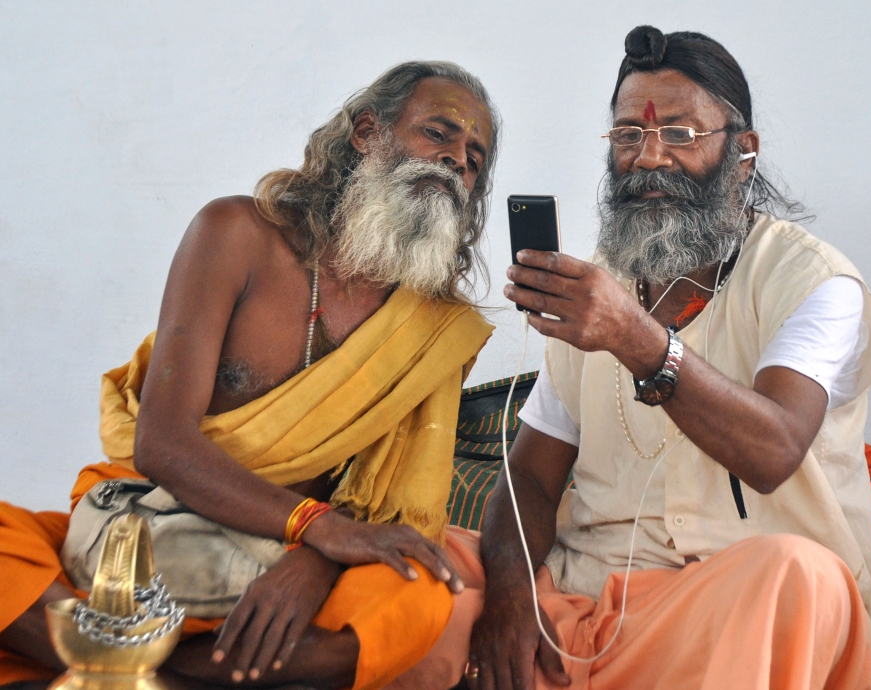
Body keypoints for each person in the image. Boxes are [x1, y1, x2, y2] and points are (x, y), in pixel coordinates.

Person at [396, 26, 871, 690]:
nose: (648, 157)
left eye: (679, 135)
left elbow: (774, 451)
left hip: (729, 610)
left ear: (742, 154)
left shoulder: (812, 284)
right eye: (628, 136)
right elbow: (533, 480)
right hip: (583, 600)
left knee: (800, 576)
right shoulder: (598, 286)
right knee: (416, 564)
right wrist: (513, 599)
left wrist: (636, 339)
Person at [0, 60, 499, 690]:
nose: (458, 160)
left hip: (296, 550)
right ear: (367, 133)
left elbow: (387, 502)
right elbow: (162, 442)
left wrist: (315, 560)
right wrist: (317, 530)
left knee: (419, 599)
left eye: (475, 157)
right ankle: (179, 671)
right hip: (158, 509)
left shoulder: (436, 328)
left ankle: (113, 657)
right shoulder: (235, 234)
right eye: (440, 133)